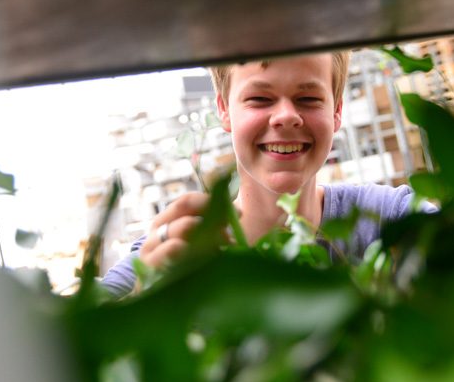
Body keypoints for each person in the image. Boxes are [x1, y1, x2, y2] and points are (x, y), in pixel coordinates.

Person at [100, 51, 426, 297]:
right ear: (224, 109)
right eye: (259, 99)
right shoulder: (178, 251)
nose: (286, 116)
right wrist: (146, 295)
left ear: (336, 110)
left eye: (308, 98)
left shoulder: (388, 220)